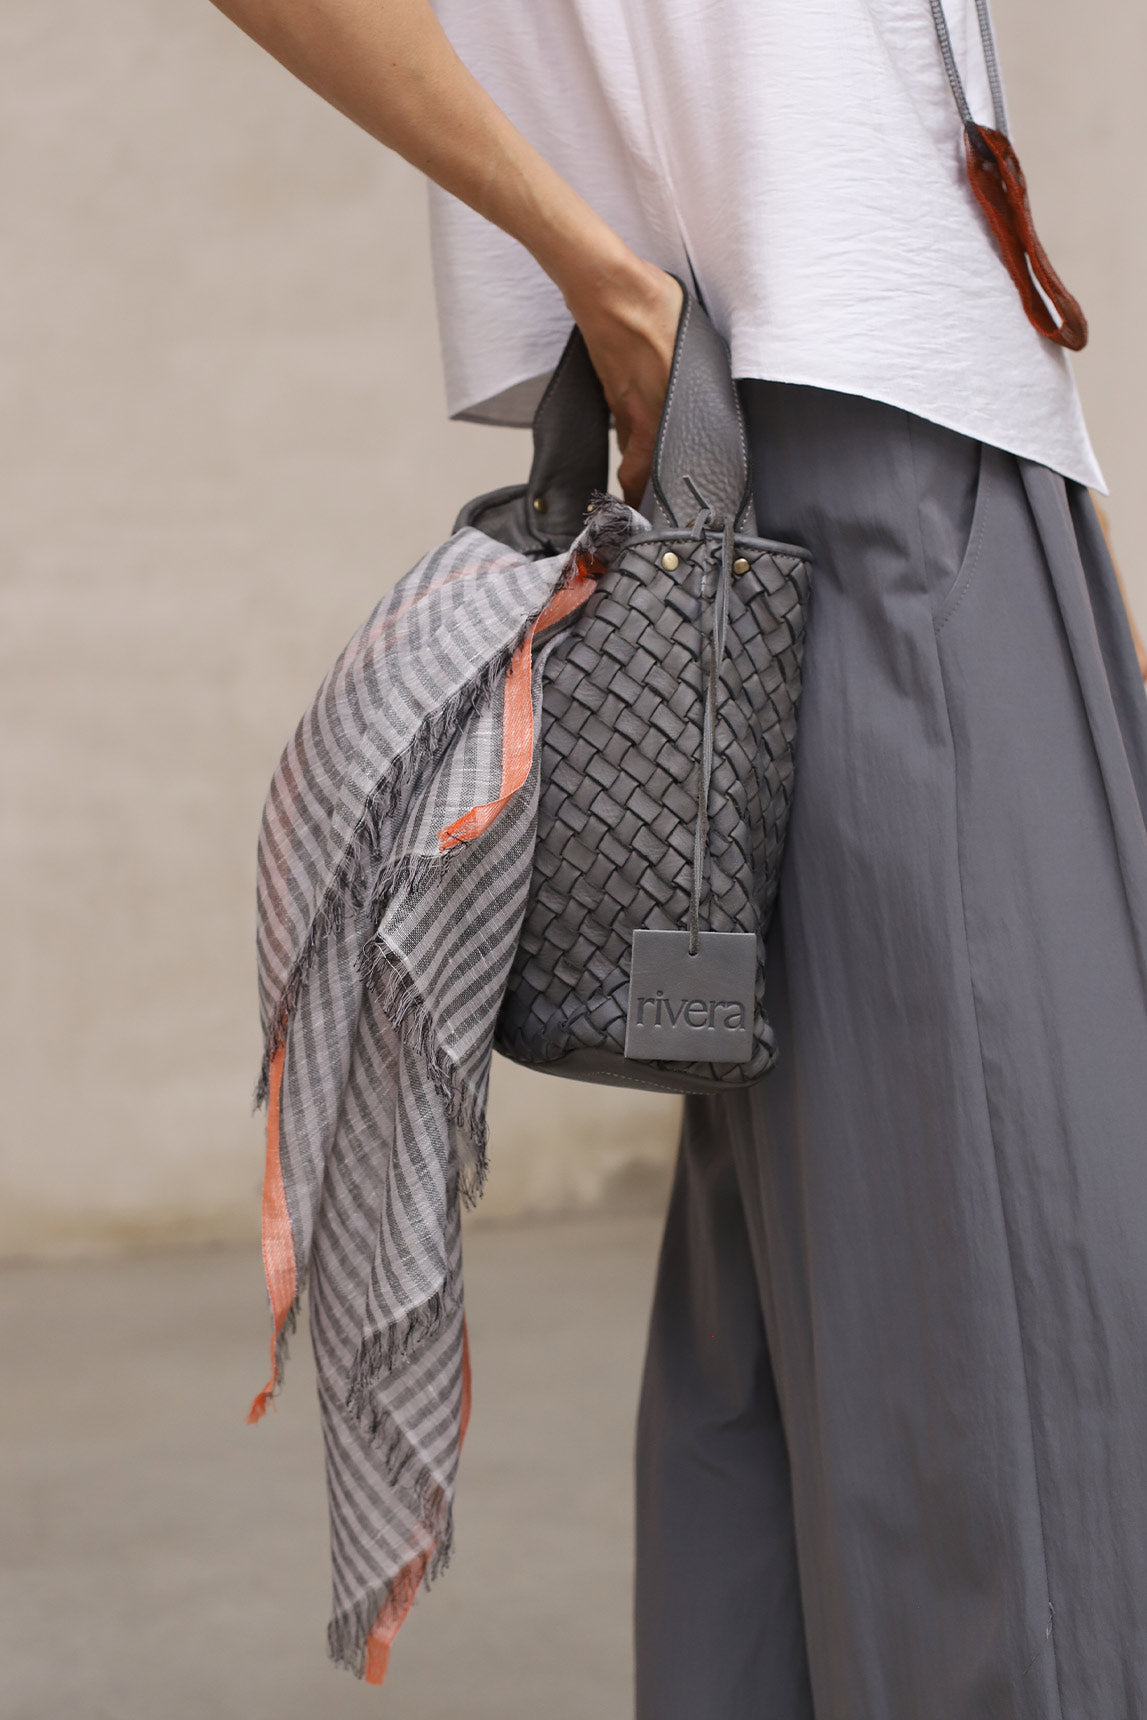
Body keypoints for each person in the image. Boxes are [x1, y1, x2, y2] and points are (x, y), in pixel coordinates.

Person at [209, 0, 1147, 1713]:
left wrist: (1057, 497)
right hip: (844, 451)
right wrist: (591, 266)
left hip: (929, 436)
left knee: (793, 1350)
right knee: (1024, 1332)